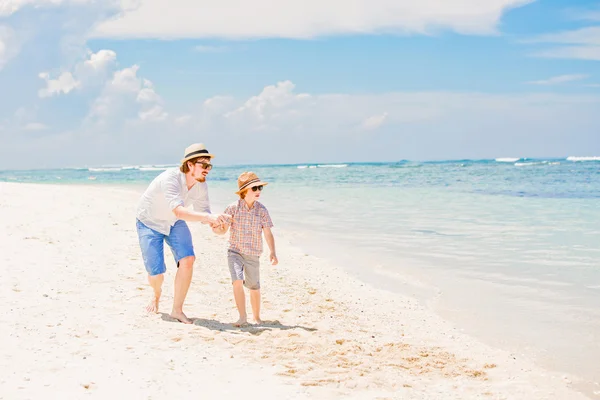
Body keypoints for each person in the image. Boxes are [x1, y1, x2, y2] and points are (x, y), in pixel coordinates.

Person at [135, 143, 230, 324]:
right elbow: (179, 211)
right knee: (156, 274)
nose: (208, 170)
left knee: (188, 259)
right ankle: (156, 295)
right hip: (149, 222)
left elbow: (204, 215)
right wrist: (211, 218)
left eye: (209, 166)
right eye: (204, 165)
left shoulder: (201, 185)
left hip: (173, 222)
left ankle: (177, 311)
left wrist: (219, 226)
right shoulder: (170, 178)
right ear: (190, 165)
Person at [213, 171, 278, 327]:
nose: (258, 191)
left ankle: (257, 317)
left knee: (254, 287)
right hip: (235, 251)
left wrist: (273, 252)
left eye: (260, 188)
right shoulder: (232, 208)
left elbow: (268, 232)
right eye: (254, 188)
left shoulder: (262, 210)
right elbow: (223, 230)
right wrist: (216, 229)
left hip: (253, 254)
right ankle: (242, 317)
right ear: (244, 191)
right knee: (237, 281)